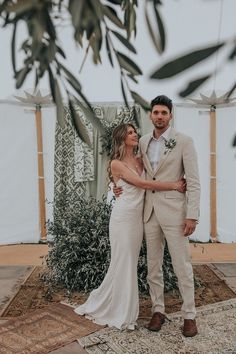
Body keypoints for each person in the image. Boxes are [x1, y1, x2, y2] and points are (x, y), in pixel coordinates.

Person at [74, 123, 186, 330]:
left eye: (135, 132)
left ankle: (120, 305)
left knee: (130, 263)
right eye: (130, 133)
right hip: (122, 218)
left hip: (138, 219)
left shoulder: (140, 159)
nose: (135, 135)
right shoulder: (116, 163)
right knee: (123, 262)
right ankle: (121, 311)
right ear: (121, 138)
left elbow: (153, 174)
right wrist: (174, 185)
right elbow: (143, 184)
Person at [139, 95, 200, 337]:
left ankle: (189, 315)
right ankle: (158, 310)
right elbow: (137, 172)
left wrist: (192, 215)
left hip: (176, 213)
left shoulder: (184, 141)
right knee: (153, 265)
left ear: (171, 115)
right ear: (150, 115)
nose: (160, 117)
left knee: (181, 265)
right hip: (149, 211)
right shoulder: (143, 142)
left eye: (164, 113)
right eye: (156, 112)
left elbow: (193, 182)